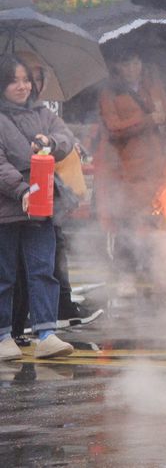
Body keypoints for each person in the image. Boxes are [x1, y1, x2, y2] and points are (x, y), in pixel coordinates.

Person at [0, 54, 75, 360]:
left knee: (43, 268)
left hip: (41, 203)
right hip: (7, 208)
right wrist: (21, 190)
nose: (23, 87)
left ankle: (46, 332)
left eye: (26, 80)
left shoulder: (43, 113)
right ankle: (3, 335)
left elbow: (66, 137)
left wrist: (50, 142)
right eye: (13, 81)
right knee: (5, 274)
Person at [96, 51, 166, 286]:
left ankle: (151, 269)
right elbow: (113, 127)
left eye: (136, 62)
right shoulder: (110, 93)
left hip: (155, 165)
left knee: (153, 219)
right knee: (126, 220)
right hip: (125, 168)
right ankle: (126, 273)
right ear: (117, 66)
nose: (132, 68)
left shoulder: (153, 87)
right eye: (126, 63)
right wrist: (148, 120)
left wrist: (165, 116)